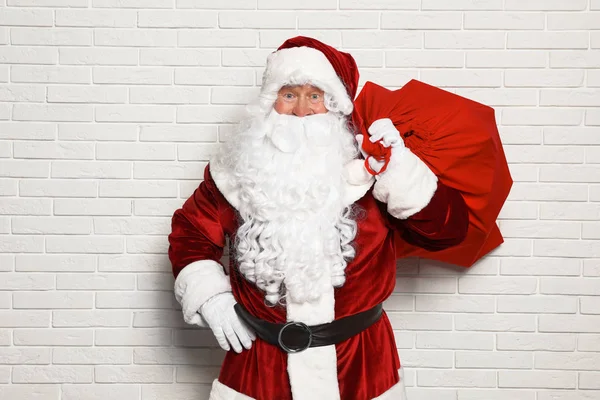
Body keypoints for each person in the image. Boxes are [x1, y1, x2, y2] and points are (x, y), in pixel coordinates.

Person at [168, 36, 469, 400]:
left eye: (315, 96)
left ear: (335, 106)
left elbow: (447, 232)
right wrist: (210, 295)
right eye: (289, 94)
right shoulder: (234, 174)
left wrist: (400, 169)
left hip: (360, 365)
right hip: (260, 366)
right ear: (270, 103)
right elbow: (191, 234)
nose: (301, 110)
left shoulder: (373, 170)